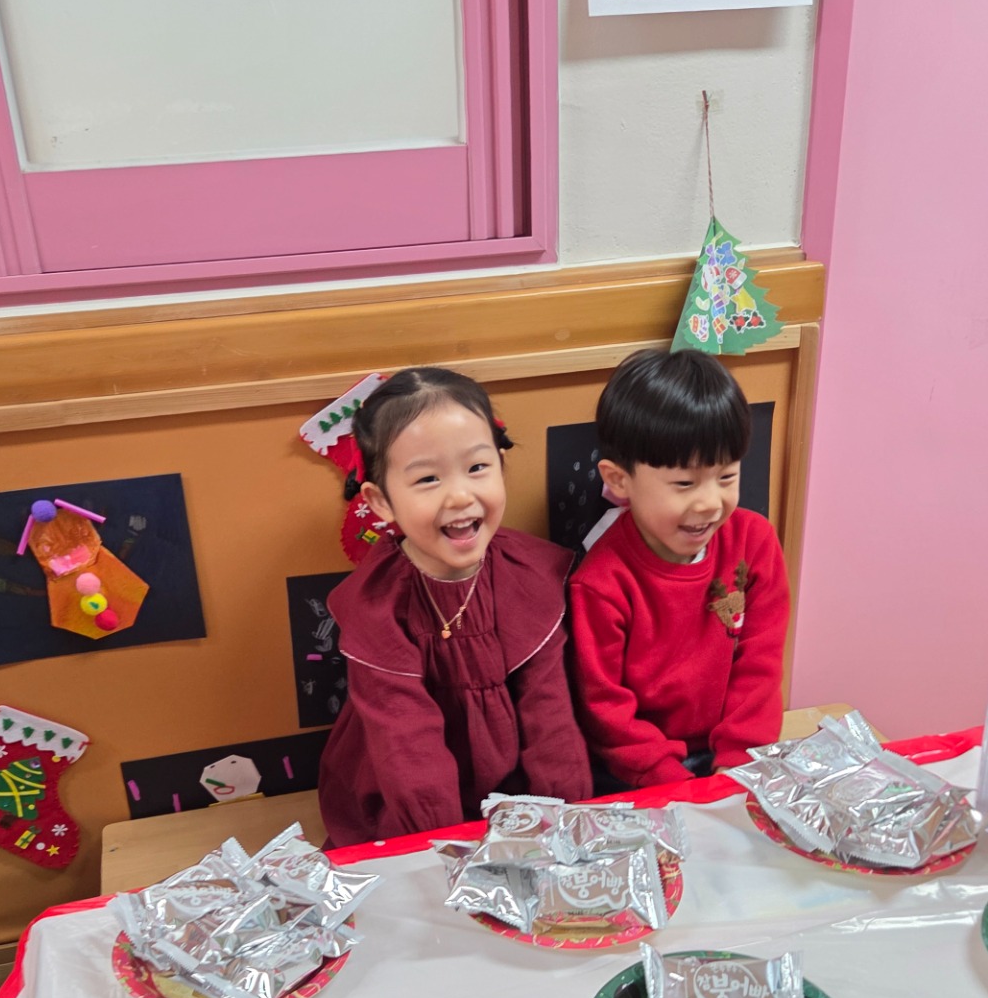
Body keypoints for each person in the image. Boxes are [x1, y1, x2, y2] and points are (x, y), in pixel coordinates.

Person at [318, 368, 591, 845]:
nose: (461, 495)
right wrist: (443, 845)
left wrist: (568, 821)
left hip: (511, 790)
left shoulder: (527, 576)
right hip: (408, 798)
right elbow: (406, 746)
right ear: (381, 501)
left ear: (501, 467)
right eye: (428, 478)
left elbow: (549, 719)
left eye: (478, 468)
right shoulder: (378, 605)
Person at [570, 349, 789, 790]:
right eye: (684, 484)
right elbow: (606, 710)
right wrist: (673, 784)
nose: (709, 503)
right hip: (641, 769)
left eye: (726, 477)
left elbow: (760, 669)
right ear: (618, 480)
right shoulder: (600, 582)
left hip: (734, 758)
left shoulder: (755, 543)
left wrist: (736, 766)